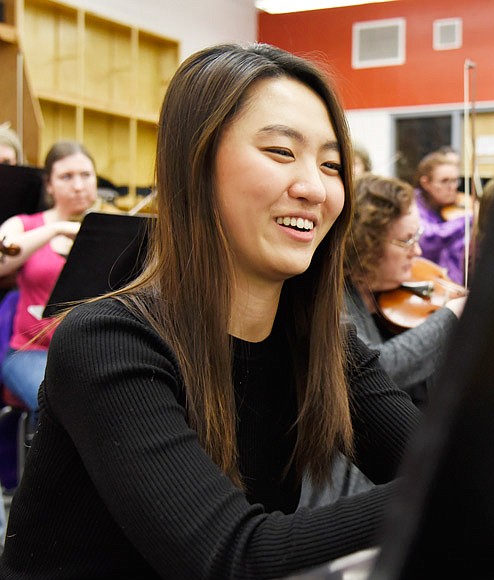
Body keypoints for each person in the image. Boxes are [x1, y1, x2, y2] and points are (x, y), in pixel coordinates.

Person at [0, 42, 420, 579]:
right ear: (197, 166)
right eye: (281, 152)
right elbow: (234, 558)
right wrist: (447, 485)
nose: (315, 188)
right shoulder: (105, 342)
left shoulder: (324, 347)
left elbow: (426, 463)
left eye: (332, 164)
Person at [345, 173, 466, 407]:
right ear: (366, 245)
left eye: (417, 237)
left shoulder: (391, 283)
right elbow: (380, 367)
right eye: (406, 240)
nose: (418, 251)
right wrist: (450, 315)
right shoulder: (337, 301)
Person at [0, 140, 96, 414]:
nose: (78, 185)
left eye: (85, 175)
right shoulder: (25, 225)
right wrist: (56, 230)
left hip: (89, 353)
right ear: (49, 185)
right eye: (66, 177)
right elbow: (1, 258)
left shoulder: (110, 228)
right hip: (31, 352)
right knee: (59, 403)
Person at [414, 150, 472, 285]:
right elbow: (430, 238)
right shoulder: (413, 205)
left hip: (453, 284)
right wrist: (469, 217)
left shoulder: (455, 206)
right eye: (444, 181)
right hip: (424, 282)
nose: (452, 187)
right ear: (426, 183)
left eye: (455, 180)